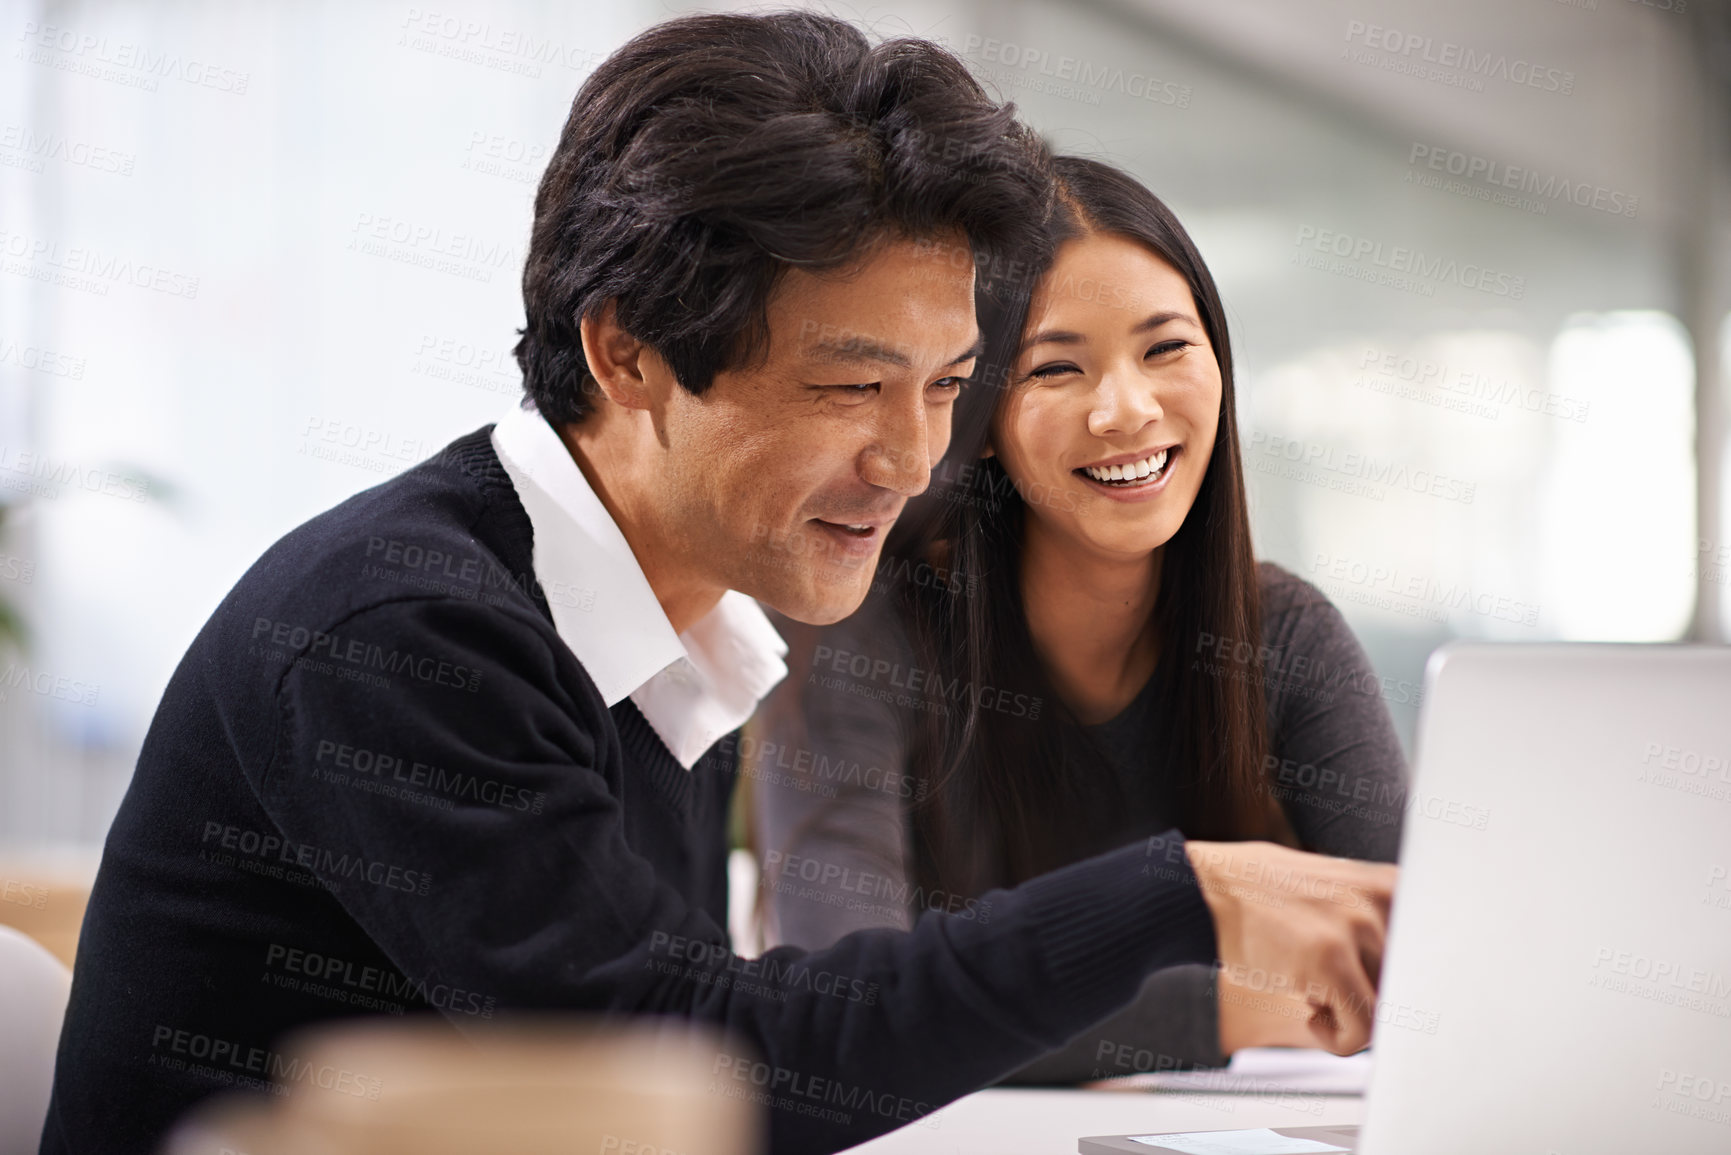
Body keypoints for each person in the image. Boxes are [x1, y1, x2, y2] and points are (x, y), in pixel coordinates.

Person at [41, 17, 1395, 1155]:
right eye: (848, 386)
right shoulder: (402, 632)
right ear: (625, 354)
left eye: (939, 391)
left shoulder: (681, 631)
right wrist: (1173, 895)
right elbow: (707, 1068)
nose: (911, 459)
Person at [751, 156, 1408, 1081]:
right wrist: (1245, 1002)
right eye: (1055, 367)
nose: (1126, 410)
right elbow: (850, 1011)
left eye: (1166, 347)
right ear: (974, 414)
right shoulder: (865, 634)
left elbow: (1423, 966)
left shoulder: (1280, 634)